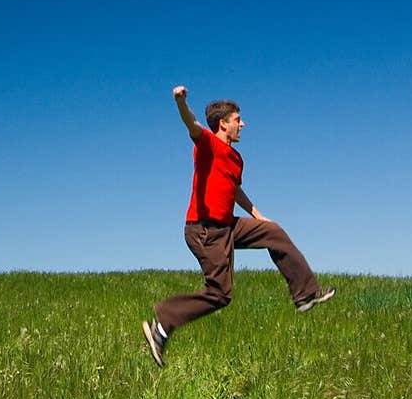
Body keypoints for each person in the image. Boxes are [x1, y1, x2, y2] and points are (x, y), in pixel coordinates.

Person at [142, 85, 335, 367]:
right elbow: (190, 122)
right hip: (205, 230)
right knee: (220, 294)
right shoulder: (207, 144)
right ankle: (163, 326)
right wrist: (180, 102)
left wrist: (258, 215)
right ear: (223, 124)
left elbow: (234, 191)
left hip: (226, 225)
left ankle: (305, 295)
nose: (242, 124)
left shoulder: (235, 158)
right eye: (237, 120)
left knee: (273, 231)